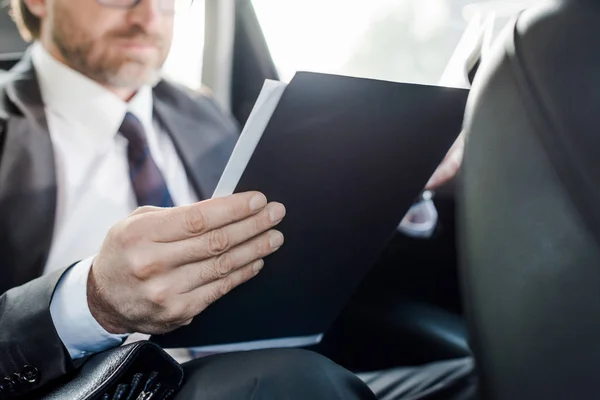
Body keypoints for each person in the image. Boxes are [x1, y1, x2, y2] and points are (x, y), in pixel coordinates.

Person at [0, 0, 476, 398]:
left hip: (258, 371)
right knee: (288, 380)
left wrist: (389, 182)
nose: (148, 17)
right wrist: (94, 301)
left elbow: (276, 235)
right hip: (83, 387)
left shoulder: (201, 113)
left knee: (499, 375)